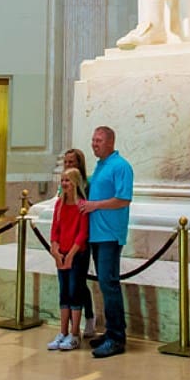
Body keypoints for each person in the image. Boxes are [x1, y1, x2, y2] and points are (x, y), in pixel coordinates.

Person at [78, 126, 134, 359]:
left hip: (110, 235)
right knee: (104, 284)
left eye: (98, 140)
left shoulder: (121, 166)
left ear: (110, 142)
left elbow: (123, 199)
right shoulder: (100, 167)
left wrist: (95, 205)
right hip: (97, 234)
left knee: (109, 284)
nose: (94, 144)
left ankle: (117, 338)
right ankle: (111, 331)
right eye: (92, 140)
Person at [47, 168, 90, 351]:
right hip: (62, 253)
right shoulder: (59, 205)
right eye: (62, 180)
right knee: (64, 292)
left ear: (75, 183)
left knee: (75, 292)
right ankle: (63, 331)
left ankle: (74, 333)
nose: (64, 184)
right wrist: (56, 251)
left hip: (76, 254)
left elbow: (82, 234)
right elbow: (55, 229)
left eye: (68, 180)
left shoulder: (82, 205)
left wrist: (71, 254)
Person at [62, 148, 96, 337]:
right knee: (68, 285)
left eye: (71, 162)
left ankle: (89, 318)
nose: (68, 165)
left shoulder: (87, 185)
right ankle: (66, 328)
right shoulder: (64, 185)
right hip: (65, 242)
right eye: (66, 162)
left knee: (79, 283)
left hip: (81, 242)